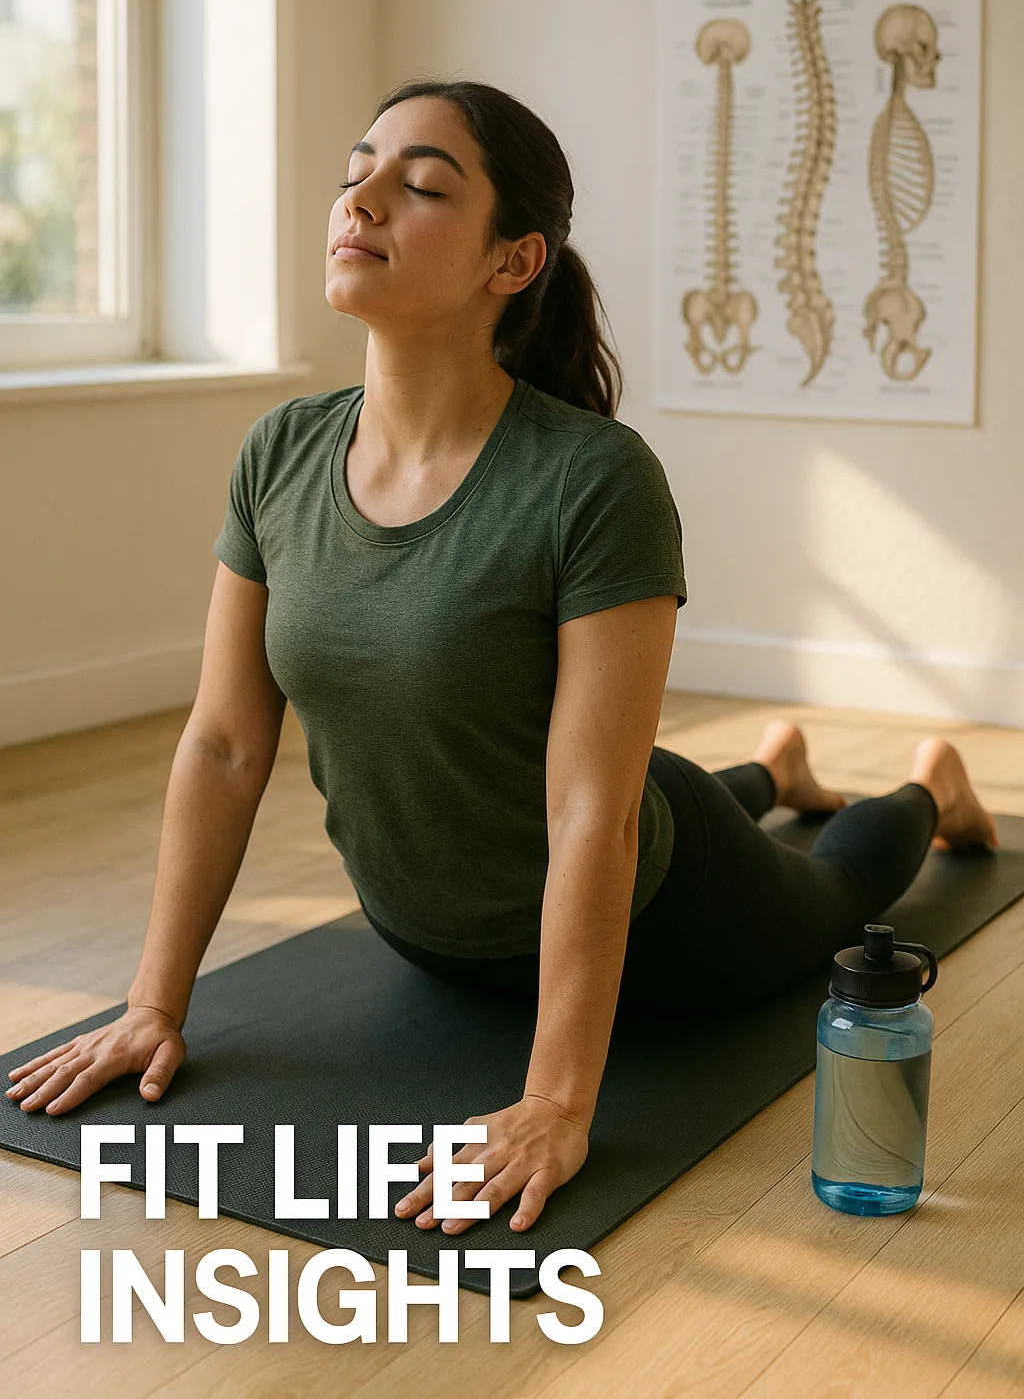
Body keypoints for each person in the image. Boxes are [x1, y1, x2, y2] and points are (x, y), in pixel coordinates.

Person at [6, 80, 999, 1243]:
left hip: (664, 910)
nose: (362, 198)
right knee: (635, 781)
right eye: (358, 170)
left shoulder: (591, 480)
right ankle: (773, 771)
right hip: (427, 925)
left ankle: (931, 787)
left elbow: (591, 811)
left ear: (512, 262)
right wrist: (150, 1006)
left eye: (421, 186)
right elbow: (226, 743)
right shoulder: (280, 451)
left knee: (832, 890)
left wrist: (554, 1103)